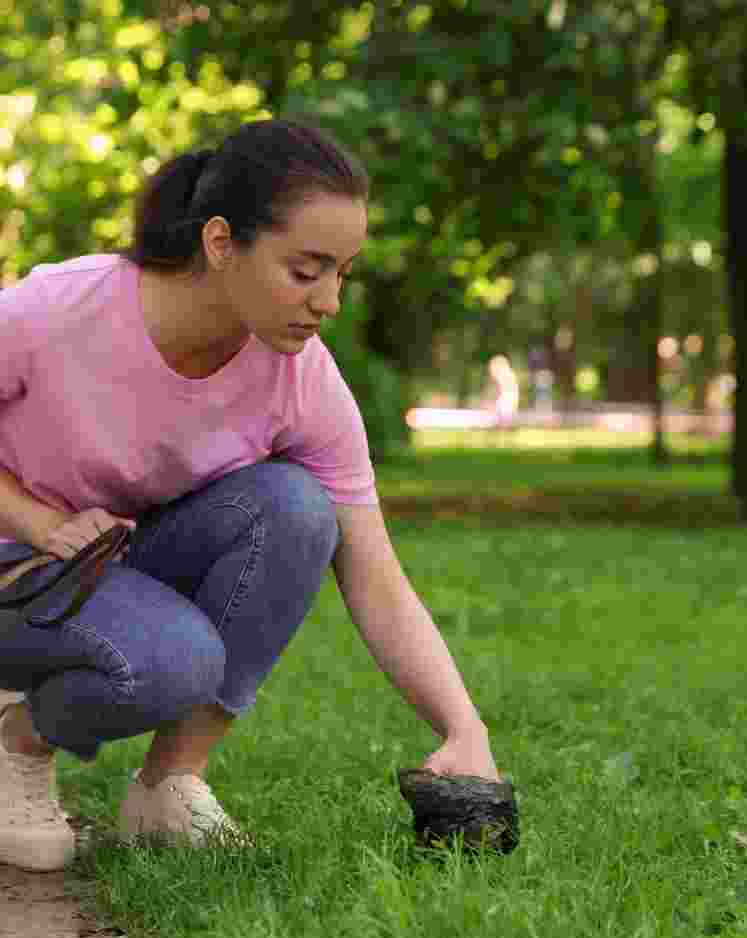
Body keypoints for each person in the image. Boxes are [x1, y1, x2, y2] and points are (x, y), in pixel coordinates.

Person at [0, 119, 502, 872]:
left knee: (299, 509)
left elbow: (375, 574)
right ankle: (16, 746)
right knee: (175, 659)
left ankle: (170, 783)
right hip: (14, 561)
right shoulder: (58, 311)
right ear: (220, 243)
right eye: (305, 271)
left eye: (343, 273)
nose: (329, 300)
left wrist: (465, 730)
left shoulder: (299, 380)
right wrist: (38, 522)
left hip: (102, 569)